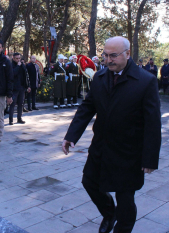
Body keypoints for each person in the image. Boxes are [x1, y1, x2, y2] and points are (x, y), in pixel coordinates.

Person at [62, 36, 161, 233]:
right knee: (89, 182)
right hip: (101, 146)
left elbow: (153, 123)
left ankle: (122, 227)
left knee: (125, 199)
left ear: (127, 54)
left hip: (129, 152)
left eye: (113, 56)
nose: (108, 60)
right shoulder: (99, 77)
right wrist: (71, 135)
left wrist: (150, 159)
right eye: (105, 55)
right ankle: (109, 213)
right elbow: (87, 108)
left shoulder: (145, 81)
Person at [9, 53, 31, 125]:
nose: (18, 60)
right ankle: (11, 119)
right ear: (13, 58)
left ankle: (19, 118)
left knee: (21, 104)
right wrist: (18, 66)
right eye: (17, 58)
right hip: (14, 88)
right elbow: (12, 74)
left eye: (19, 58)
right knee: (12, 104)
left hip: (22, 87)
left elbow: (26, 75)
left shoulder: (22, 65)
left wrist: (28, 86)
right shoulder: (11, 65)